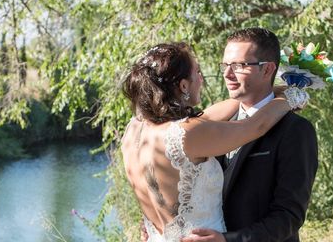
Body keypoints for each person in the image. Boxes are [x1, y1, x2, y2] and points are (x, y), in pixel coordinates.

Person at [121, 42, 308, 242]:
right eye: (197, 72)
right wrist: (292, 97)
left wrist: (266, 91)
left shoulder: (134, 130)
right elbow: (255, 126)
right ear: (183, 86)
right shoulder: (189, 134)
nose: (201, 78)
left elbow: (209, 116)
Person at [185, 28, 318, 242]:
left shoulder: (296, 130)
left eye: (239, 66)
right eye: (225, 65)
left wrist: (229, 240)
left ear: (267, 70)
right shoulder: (215, 124)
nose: (228, 75)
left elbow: (289, 216)